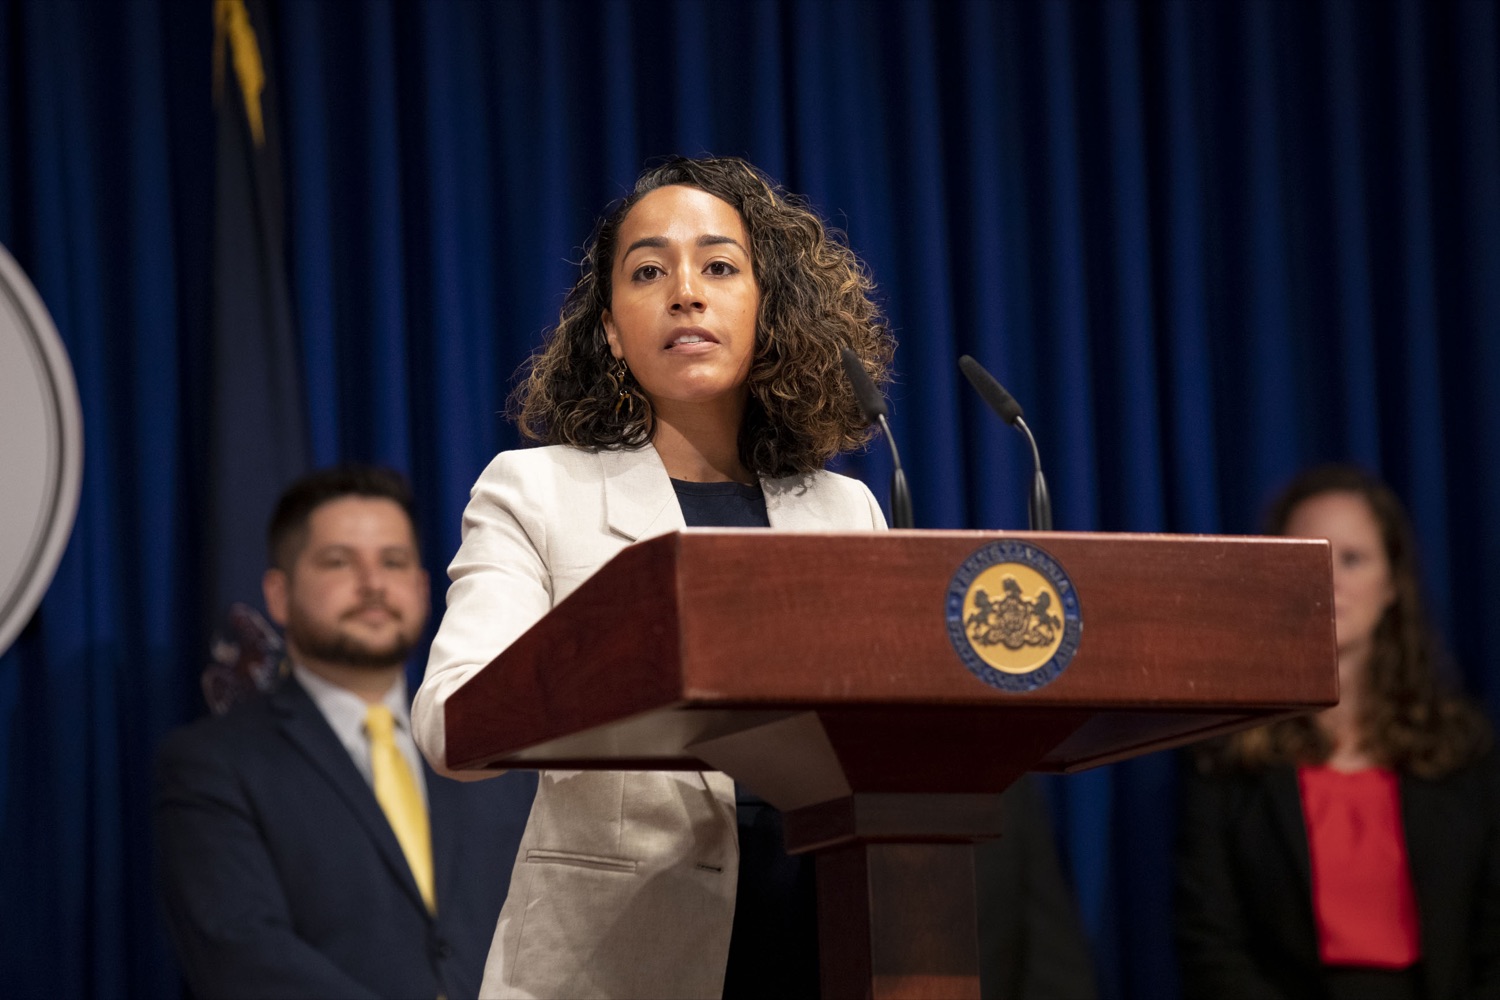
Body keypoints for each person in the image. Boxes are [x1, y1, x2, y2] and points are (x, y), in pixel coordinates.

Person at [411, 155, 895, 999]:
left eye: (720, 267)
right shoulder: (534, 492)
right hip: (613, 962)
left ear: (768, 307)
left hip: (821, 937)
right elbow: (449, 723)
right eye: (647, 272)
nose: (686, 293)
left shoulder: (844, 508)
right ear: (610, 330)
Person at [154, 465, 533, 999]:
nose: (373, 584)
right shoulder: (210, 765)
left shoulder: (500, 749)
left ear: (424, 588)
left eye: (393, 561)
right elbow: (241, 956)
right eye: (338, 561)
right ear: (279, 594)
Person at [1175, 464, 1500, 1000]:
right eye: (1311, 558)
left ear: (1392, 583)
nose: (1331, 580)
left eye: (1352, 559)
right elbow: (1210, 945)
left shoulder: (1463, 748)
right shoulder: (1228, 756)